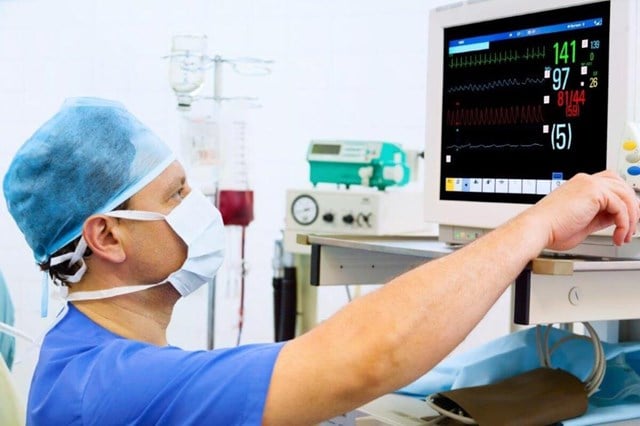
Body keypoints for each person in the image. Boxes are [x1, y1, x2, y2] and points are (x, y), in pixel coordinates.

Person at [3, 97, 639, 426]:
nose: (197, 209)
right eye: (174, 196)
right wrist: (540, 221)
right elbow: (373, 354)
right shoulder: (114, 387)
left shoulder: (80, 356)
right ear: (107, 237)